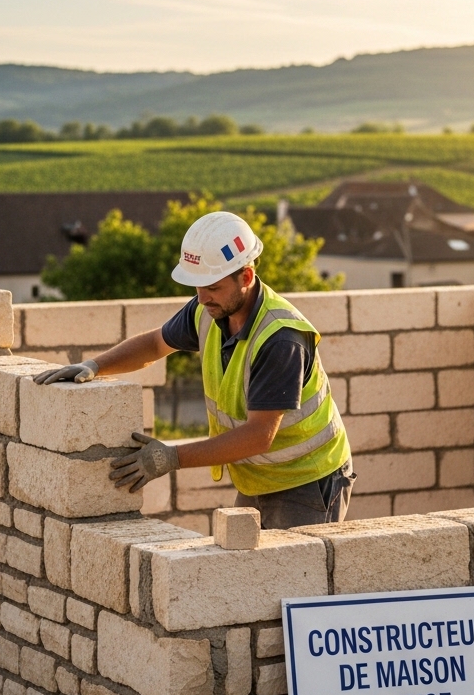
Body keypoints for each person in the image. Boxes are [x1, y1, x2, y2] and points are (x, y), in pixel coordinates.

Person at [34, 211, 354, 529]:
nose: (202, 297)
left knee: (292, 577)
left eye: (212, 286)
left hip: (308, 481)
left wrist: (171, 457)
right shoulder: (210, 309)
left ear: (245, 277)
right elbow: (155, 343)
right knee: (252, 572)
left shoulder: (281, 338)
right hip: (260, 479)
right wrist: (93, 365)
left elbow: (259, 436)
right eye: (197, 286)